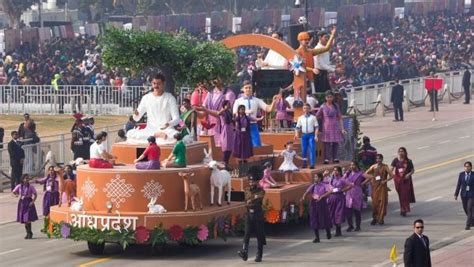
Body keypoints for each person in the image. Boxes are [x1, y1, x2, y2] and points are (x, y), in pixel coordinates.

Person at [126, 73, 180, 144]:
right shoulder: (146, 98)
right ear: (151, 84)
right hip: (150, 130)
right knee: (130, 134)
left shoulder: (170, 98)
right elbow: (137, 118)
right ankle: (155, 135)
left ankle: (153, 137)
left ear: (164, 84)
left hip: (166, 130)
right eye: (154, 83)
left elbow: (177, 119)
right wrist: (136, 114)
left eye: (158, 84)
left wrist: (168, 124)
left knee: (175, 136)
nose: (156, 86)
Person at [233, 81, 278, 147]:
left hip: (253, 125)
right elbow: (234, 112)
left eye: (250, 88)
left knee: (256, 144)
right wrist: (246, 111)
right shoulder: (238, 101)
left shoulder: (257, 100)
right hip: (242, 125)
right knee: (242, 145)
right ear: (242, 89)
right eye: (246, 88)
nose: (248, 89)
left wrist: (273, 102)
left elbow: (268, 109)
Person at [238, 166, 266, 262]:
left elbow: (260, 196)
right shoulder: (246, 190)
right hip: (249, 214)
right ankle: (244, 251)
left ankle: (259, 254)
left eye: (253, 181)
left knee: (259, 234)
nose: (251, 183)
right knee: (247, 233)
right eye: (250, 181)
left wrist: (251, 199)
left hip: (258, 213)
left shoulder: (261, 190)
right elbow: (244, 199)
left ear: (257, 182)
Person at [296, 27, 336, 95]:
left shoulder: (310, 51)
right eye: (305, 40)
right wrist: (312, 69)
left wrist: (332, 35)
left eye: (308, 39)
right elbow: (298, 66)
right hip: (302, 79)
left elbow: (326, 48)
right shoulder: (297, 52)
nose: (307, 41)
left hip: (311, 78)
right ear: (300, 41)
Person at [201, 78, 236, 147]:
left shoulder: (229, 94)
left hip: (223, 125)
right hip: (211, 127)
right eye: (213, 78)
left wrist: (205, 110)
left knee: (223, 147)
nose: (214, 80)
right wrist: (194, 110)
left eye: (217, 78)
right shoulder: (210, 93)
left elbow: (220, 113)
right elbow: (203, 110)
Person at [301, 173, 332, 243]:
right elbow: (307, 191)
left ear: (320, 178)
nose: (315, 178)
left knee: (324, 218)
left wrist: (322, 196)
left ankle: (328, 232)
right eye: (314, 177)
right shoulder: (313, 185)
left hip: (322, 204)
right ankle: (317, 237)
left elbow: (330, 191)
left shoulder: (324, 185)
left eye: (316, 177)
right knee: (314, 219)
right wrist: (303, 197)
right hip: (314, 204)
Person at [316, 90, 346, 164]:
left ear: (333, 98)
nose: (329, 98)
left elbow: (340, 118)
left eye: (331, 97)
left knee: (336, 143)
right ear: (325, 98)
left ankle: (335, 157)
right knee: (327, 144)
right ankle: (327, 159)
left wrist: (342, 128)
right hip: (326, 127)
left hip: (335, 127)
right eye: (328, 97)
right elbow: (317, 116)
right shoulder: (322, 106)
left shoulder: (336, 106)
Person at [202, 100, 234, 168]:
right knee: (226, 147)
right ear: (224, 105)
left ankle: (227, 163)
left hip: (230, 130)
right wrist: (223, 109)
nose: (229, 105)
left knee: (230, 147)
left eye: (229, 104)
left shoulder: (229, 112)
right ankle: (224, 163)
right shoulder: (223, 112)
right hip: (225, 130)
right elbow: (218, 113)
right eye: (228, 104)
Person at [363, 154, 393, 225]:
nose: (378, 160)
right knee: (375, 204)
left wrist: (385, 181)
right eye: (377, 159)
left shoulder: (385, 167)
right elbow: (365, 174)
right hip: (375, 187)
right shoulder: (373, 166)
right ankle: (375, 218)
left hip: (382, 187)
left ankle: (381, 218)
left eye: (379, 158)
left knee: (382, 203)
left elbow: (392, 175)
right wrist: (371, 178)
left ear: (382, 159)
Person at [343, 161, 373, 232]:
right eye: (350, 165)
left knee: (357, 210)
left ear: (356, 166)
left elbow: (370, 177)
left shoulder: (360, 173)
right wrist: (346, 173)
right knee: (348, 211)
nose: (351, 166)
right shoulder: (348, 173)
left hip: (357, 192)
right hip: (349, 192)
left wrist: (363, 183)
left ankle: (358, 226)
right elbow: (343, 180)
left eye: (353, 165)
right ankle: (350, 226)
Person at [391, 147, 416, 217]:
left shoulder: (408, 161)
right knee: (400, 195)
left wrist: (408, 174)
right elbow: (391, 169)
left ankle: (404, 209)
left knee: (404, 195)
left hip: (405, 180)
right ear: (398, 152)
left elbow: (413, 170)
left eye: (402, 151)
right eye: (399, 151)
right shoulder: (395, 160)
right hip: (398, 181)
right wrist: (392, 175)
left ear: (405, 152)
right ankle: (402, 208)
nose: (401, 153)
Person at [12, 174, 38, 239]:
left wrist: (32, 202)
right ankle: (28, 233)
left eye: (28, 178)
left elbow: (35, 194)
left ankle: (29, 233)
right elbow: (13, 192)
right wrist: (16, 195)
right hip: (22, 203)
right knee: (24, 219)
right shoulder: (19, 186)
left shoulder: (31, 187)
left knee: (28, 218)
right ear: (22, 179)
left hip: (28, 201)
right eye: (25, 178)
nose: (27, 180)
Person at [327, 166, 351, 237]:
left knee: (338, 214)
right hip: (332, 197)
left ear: (340, 172)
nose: (335, 172)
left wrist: (343, 190)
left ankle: (338, 230)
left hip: (340, 198)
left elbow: (350, 185)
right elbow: (328, 186)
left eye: (336, 171)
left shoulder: (342, 180)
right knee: (332, 214)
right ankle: (335, 229)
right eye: (334, 170)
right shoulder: (332, 179)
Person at [295, 103, 319, 169]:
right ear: (303, 109)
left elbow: (316, 127)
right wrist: (296, 134)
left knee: (312, 149)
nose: (306, 109)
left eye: (307, 108)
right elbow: (297, 127)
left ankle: (312, 164)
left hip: (311, 135)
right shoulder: (300, 118)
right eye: (304, 108)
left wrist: (316, 135)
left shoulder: (313, 117)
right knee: (304, 150)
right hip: (304, 135)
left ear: (310, 109)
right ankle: (304, 163)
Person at [454, 161, 473, 230]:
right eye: (465, 166)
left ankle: (468, 225)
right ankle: (472, 220)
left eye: (468, 166)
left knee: (469, 208)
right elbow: (459, 184)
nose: (467, 168)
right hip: (464, 195)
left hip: (472, 195)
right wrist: (456, 194)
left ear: (471, 167)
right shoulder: (461, 174)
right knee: (466, 209)